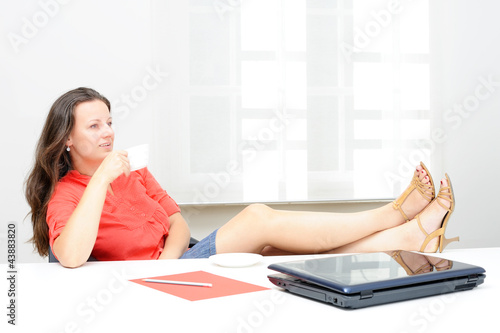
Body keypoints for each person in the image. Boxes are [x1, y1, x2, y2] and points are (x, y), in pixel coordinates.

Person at [25, 87, 459, 268]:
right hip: (151, 276)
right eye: (94, 126)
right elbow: (71, 257)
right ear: (66, 139)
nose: (109, 132)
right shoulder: (65, 196)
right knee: (257, 219)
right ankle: (394, 213)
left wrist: (170, 263)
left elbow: (177, 222)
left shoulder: (132, 169)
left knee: (277, 251)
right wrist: (99, 181)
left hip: (177, 262)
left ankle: (410, 236)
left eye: (109, 121)